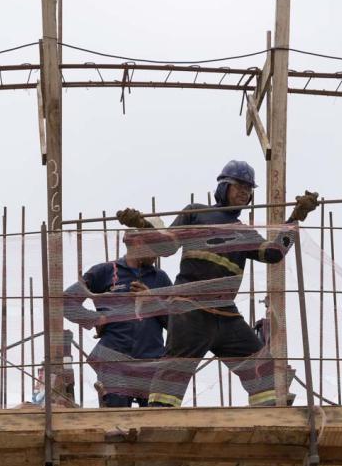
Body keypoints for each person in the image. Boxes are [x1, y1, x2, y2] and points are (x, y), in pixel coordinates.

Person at [116, 160, 318, 407]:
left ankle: (267, 418)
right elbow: (165, 247)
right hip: (190, 309)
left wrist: (295, 218)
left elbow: (274, 253)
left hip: (225, 314)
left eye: (248, 189)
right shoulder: (195, 213)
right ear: (223, 187)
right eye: (238, 186)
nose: (244, 192)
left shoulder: (244, 232)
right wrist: (143, 226)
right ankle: (158, 418)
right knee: (173, 374)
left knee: (261, 370)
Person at [63, 229, 173, 407]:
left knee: (154, 417)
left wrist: (153, 301)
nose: (158, 252)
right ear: (138, 243)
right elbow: (66, 302)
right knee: (116, 416)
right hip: (113, 359)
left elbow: (176, 323)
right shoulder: (105, 272)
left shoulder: (160, 278)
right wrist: (96, 318)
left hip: (151, 361)